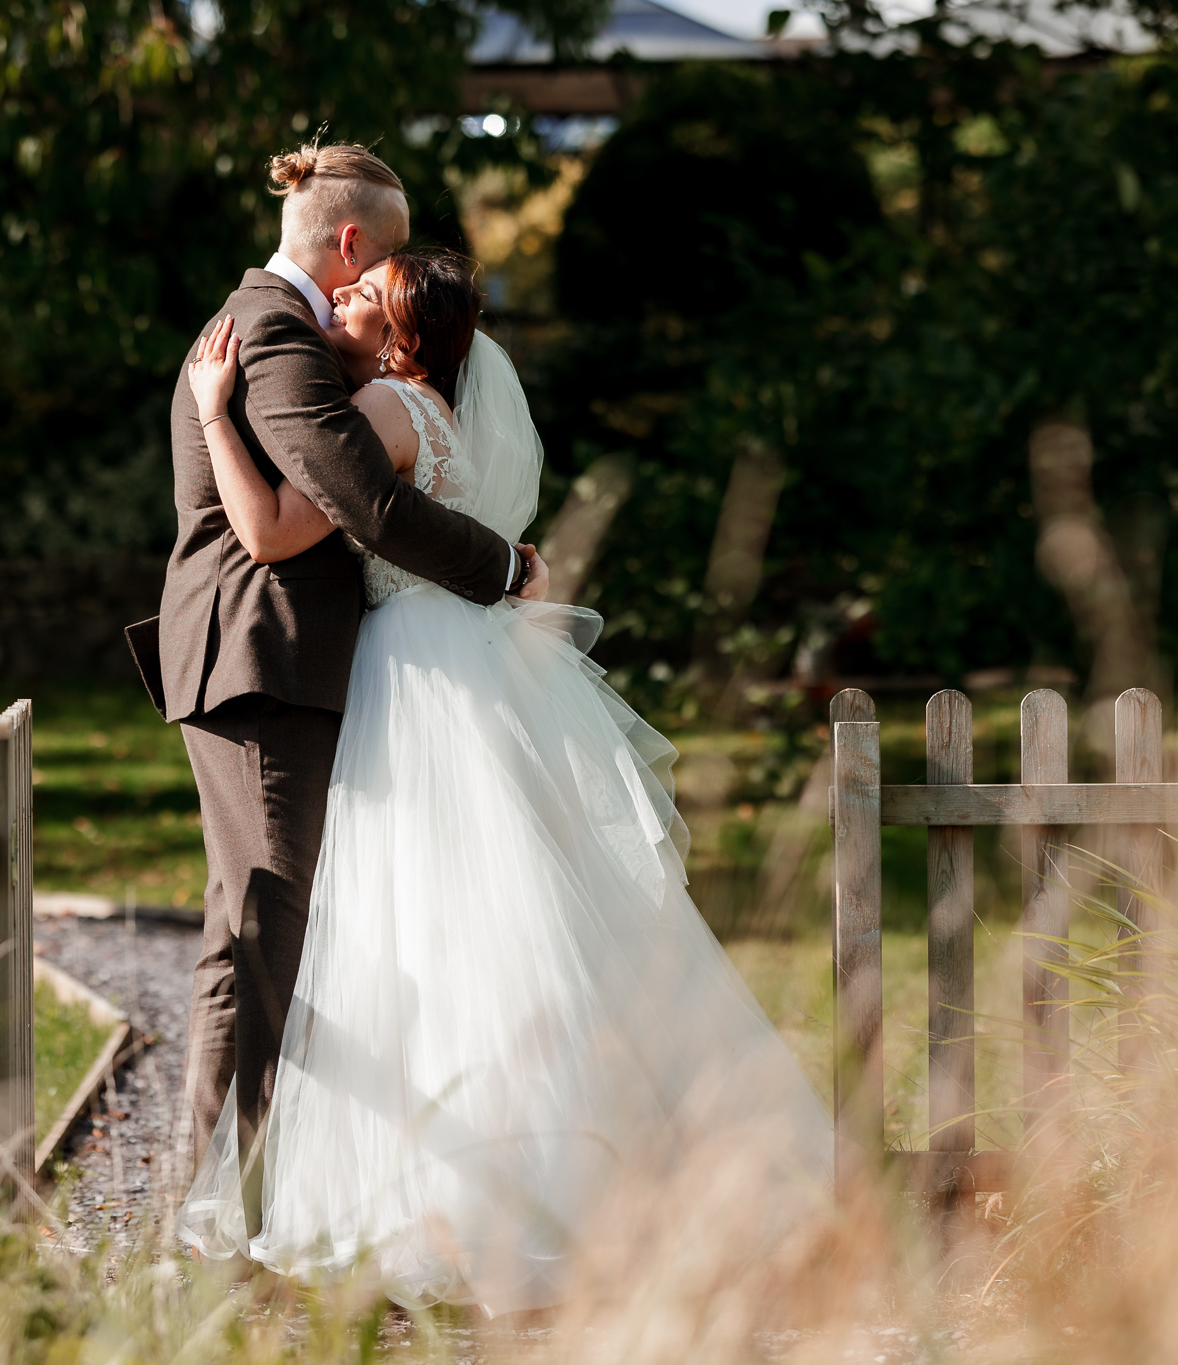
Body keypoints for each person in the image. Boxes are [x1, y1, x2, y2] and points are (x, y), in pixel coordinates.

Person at [173, 245, 834, 1314]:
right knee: (517, 921)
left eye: (363, 295)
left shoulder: (386, 410)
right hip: (468, 664)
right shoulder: (444, 419)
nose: (341, 299)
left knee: (420, 928)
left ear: (401, 334)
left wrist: (214, 416)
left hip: (412, 679)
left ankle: (463, 1201)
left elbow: (269, 530)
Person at [123, 140, 550, 1241]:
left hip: (290, 661)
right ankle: (217, 1215)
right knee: (262, 934)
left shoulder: (295, 337)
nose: (379, 283)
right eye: (384, 258)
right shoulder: (268, 328)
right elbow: (358, 502)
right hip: (259, 657)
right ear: (351, 240)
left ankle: (228, 1205)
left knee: (263, 930)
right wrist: (506, 567)